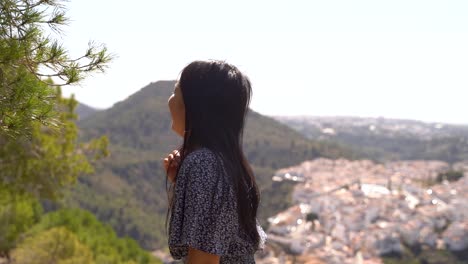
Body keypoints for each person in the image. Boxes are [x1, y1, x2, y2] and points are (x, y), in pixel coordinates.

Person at [164, 60, 267, 263]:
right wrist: (182, 184)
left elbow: (204, 259)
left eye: (177, 92)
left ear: (196, 106)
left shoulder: (204, 164)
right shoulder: (221, 160)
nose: (170, 100)